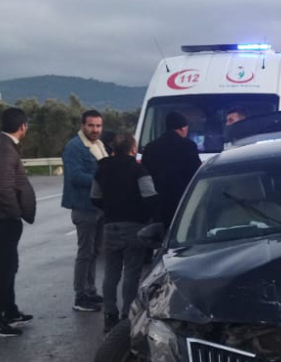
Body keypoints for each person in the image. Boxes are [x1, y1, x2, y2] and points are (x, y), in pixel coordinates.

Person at [0, 107, 37, 337]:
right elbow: (4, 189)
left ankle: (9, 311)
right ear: (23, 126)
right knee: (5, 268)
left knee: (10, 265)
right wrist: (15, 213)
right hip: (0, 219)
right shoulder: (5, 151)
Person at [92, 133, 159, 333]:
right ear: (132, 149)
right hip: (134, 226)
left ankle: (109, 315)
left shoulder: (101, 169)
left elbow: (94, 197)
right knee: (132, 272)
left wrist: (109, 209)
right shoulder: (138, 169)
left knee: (111, 273)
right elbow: (150, 196)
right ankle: (127, 315)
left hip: (110, 225)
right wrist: (147, 216)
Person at [61, 109, 106, 312]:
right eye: (91, 125)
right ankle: (80, 296)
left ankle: (90, 290)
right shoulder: (75, 148)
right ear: (82, 126)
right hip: (83, 206)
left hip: (97, 207)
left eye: (98, 126)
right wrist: (102, 180)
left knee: (94, 251)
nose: (95, 129)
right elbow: (76, 176)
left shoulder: (98, 146)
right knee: (85, 253)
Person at [141, 111, 201, 228]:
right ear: (183, 129)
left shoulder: (150, 147)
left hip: (160, 202)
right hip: (183, 200)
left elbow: (145, 174)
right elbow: (196, 173)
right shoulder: (188, 145)